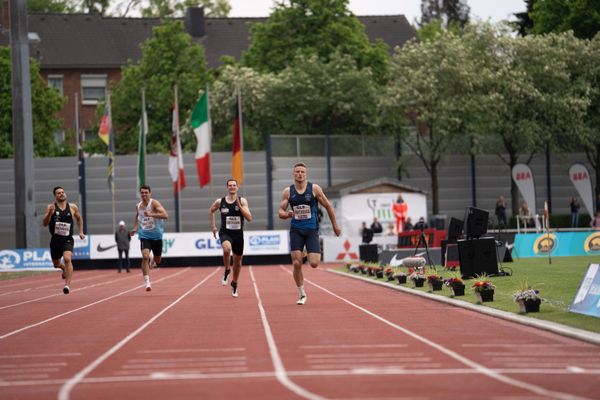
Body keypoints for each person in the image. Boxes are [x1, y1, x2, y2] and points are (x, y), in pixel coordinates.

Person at [278, 162, 341, 305]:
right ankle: (301, 294)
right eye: (297, 172)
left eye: (302, 172)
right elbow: (280, 212)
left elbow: (328, 206)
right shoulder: (288, 191)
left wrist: (335, 226)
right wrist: (287, 214)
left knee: (314, 263)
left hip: (311, 230)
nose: (300, 174)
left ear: (306, 174)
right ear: (293, 174)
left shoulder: (314, 189)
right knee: (296, 263)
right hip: (296, 230)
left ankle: (305, 251)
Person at [209, 178, 252, 298]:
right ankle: (227, 269)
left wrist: (240, 206)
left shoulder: (242, 201)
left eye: (234, 185)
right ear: (227, 187)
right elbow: (211, 211)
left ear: (237, 188)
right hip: (225, 232)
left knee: (238, 261)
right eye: (230, 185)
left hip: (238, 234)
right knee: (227, 249)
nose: (232, 187)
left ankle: (234, 283)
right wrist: (213, 227)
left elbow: (249, 218)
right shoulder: (220, 201)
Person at [42, 186, 85, 294]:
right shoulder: (51, 207)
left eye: (63, 192)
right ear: (55, 196)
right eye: (58, 193)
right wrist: (49, 214)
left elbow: (79, 218)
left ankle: (67, 285)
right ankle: (63, 269)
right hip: (55, 240)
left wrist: (81, 232)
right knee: (56, 264)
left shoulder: (72, 207)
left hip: (67, 239)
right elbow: (45, 223)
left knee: (67, 259)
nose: (61, 194)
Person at [130, 185, 168, 291]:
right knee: (145, 256)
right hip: (144, 235)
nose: (144, 194)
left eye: (146, 192)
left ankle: (153, 261)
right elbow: (137, 217)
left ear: (150, 193)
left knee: (158, 260)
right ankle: (147, 282)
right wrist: (134, 228)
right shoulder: (138, 206)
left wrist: (151, 214)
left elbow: (165, 215)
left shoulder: (154, 203)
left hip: (157, 236)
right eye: (142, 192)